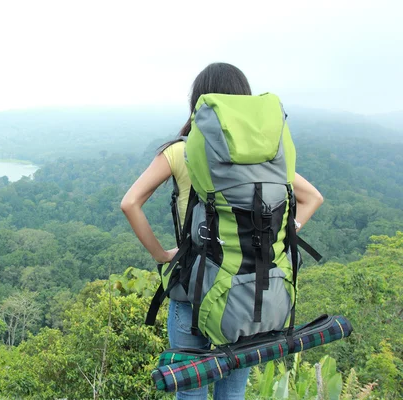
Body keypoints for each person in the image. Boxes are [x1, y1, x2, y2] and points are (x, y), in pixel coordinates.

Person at [120, 62, 324, 399]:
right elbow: (312, 196)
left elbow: (130, 203)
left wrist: (161, 255)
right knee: (233, 391)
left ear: (198, 103)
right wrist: (284, 232)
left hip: (191, 292)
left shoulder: (180, 151)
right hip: (246, 294)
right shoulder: (265, 163)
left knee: (191, 392)